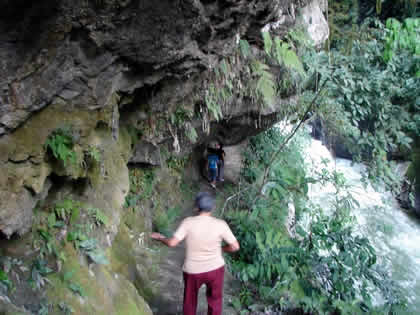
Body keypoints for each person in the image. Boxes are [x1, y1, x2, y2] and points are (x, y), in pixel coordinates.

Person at [150, 192, 240, 315]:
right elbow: (235, 246)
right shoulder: (221, 224)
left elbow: (172, 243)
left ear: (196, 208)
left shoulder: (188, 222)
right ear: (212, 208)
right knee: (215, 300)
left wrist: (160, 238)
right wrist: (221, 250)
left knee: (190, 301)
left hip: (193, 271)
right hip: (216, 269)